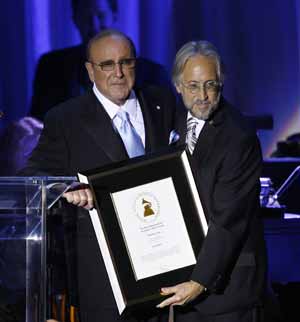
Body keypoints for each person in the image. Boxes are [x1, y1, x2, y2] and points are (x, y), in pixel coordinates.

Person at [21, 29, 176, 322]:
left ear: (135, 65)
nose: (118, 73)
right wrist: (67, 186)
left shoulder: (161, 102)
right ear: (90, 71)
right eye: (107, 65)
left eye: (126, 62)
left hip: (163, 257)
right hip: (104, 273)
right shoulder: (65, 119)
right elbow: (33, 172)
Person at [156, 40, 267, 322]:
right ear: (178, 86)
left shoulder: (238, 137)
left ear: (221, 83)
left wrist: (199, 281)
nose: (203, 95)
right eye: (193, 86)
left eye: (211, 85)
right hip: (183, 289)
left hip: (225, 291)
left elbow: (229, 219)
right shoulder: (173, 122)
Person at [30, 0, 170, 121]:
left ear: (114, 15)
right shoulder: (50, 67)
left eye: (101, 16)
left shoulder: (152, 74)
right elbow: (37, 127)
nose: (94, 25)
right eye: (86, 16)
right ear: (75, 18)